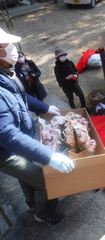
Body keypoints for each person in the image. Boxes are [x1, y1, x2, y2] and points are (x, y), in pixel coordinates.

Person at [0, 28, 75, 226]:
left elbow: (20, 98)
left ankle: (32, 203)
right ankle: (44, 213)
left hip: (18, 140)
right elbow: (7, 133)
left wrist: (44, 107)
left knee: (26, 178)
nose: (13, 49)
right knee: (45, 180)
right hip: (5, 152)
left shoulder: (6, 73)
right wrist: (48, 156)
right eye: (7, 45)